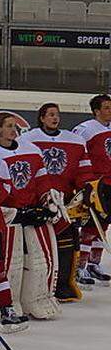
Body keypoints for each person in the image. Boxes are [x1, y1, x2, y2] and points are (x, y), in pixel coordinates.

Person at [0, 112, 55, 325]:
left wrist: (48, 203)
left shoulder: (31, 149)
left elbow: (42, 181)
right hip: (7, 216)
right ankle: (7, 304)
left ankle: (37, 301)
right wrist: (12, 212)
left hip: (32, 213)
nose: (14, 130)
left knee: (40, 261)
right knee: (11, 263)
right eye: (9, 126)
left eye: (15, 126)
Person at [21, 103, 89, 302]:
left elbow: (83, 172)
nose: (55, 118)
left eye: (57, 115)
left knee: (67, 244)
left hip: (65, 203)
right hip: (37, 203)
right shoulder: (27, 139)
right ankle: (34, 287)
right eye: (50, 115)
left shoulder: (75, 140)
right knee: (34, 248)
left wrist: (86, 191)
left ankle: (62, 287)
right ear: (41, 118)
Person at [72, 94, 111, 286]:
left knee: (103, 225)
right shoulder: (86, 129)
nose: (110, 110)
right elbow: (75, 152)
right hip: (96, 184)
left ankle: (94, 264)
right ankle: (80, 266)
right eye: (106, 107)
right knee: (90, 226)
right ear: (96, 111)